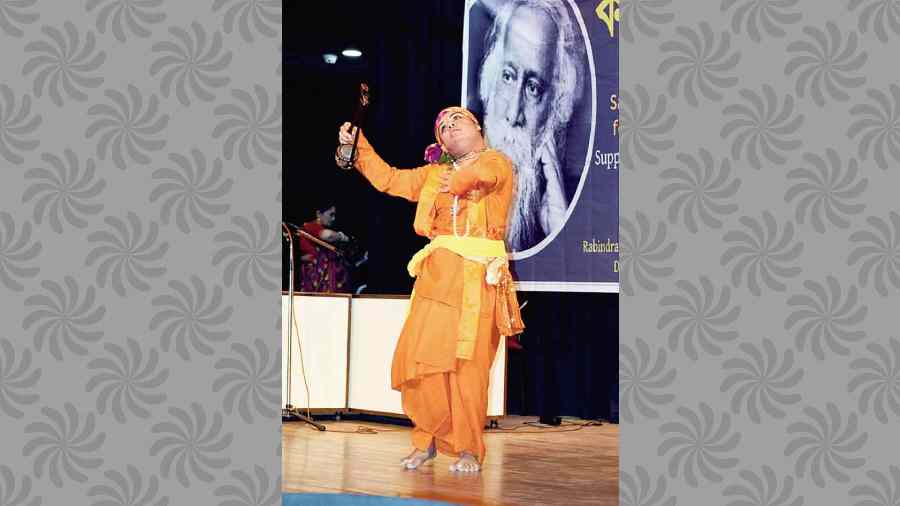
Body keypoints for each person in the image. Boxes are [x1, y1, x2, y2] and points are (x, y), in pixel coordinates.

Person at [337, 106, 524, 473]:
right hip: (435, 279)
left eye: (458, 122)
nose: (451, 128)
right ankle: (426, 441)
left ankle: (469, 449)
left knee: (468, 370)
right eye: (443, 127)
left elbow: (484, 176)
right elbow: (390, 179)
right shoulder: (433, 174)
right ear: (439, 141)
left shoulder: (497, 163)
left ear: (478, 128)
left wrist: (459, 179)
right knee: (423, 362)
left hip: (476, 282)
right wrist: (359, 147)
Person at [477, 0, 584, 252]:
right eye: (507, 76)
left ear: (555, 107)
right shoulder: (450, 177)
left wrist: (559, 232)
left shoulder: (561, 207)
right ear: (490, 80)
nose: (514, 113)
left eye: (533, 88)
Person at [298, 204, 352, 293]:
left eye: (335, 215)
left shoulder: (322, 228)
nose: (334, 219)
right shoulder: (310, 226)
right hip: (316, 280)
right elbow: (328, 235)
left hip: (325, 281)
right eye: (331, 214)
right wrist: (343, 237)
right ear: (319, 214)